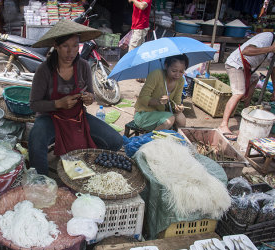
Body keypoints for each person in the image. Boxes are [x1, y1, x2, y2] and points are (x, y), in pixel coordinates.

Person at [28, 20, 123, 175]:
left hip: (78, 117)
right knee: (36, 140)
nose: (70, 52)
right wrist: (58, 103)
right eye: (65, 46)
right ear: (56, 46)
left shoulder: (84, 66)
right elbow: (34, 105)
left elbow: (91, 94)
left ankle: (87, 160)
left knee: (115, 141)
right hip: (50, 118)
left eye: (74, 46)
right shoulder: (43, 70)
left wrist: (89, 98)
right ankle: (41, 182)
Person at [218, 32, 275, 141]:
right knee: (239, 92)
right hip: (236, 64)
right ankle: (223, 125)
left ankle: (245, 114)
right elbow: (246, 51)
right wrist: (270, 49)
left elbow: (273, 70)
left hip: (247, 68)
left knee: (255, 79)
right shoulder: (268, 37)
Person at [133, 54, 188, 131]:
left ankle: (174, 140)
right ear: (166, 66)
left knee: (181, 119)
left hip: (162, 113)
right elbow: (142, 98)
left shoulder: (181, 80)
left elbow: (177, 101)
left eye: (181, 71)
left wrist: (178, 108)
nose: (177, 75)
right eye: (174, 71)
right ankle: (152, 139)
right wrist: (158, 101)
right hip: (144, 114)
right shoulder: (156, 75)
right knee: (169, 120)